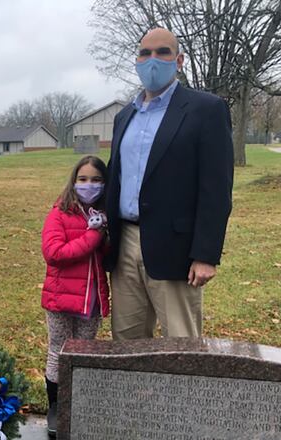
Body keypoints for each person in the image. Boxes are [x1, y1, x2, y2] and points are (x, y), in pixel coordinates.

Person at [105, 28, 234, 340]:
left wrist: (206, 254)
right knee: (127, 342)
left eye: (162, 52)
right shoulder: (124, 116)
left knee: (182, 344)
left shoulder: (206, 110)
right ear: (137, 60)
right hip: (124, 244)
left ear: (178, 60)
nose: (152, 60)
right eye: (144, 53)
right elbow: (115, 177)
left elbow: (216, 188)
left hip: (176, 248)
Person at [40, 155, 111, 437]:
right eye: (83, 179)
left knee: (83, 351)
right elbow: (54, 253)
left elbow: (107, 256)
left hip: (90, 299)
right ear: (73, 181)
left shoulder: (104, 215)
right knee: (59, 351)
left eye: (96, 180)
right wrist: (94, 236)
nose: (88, 185)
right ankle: (56, 405)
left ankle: (79, 402)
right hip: (61, 298)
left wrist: (107, 238)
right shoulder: (59, 213)